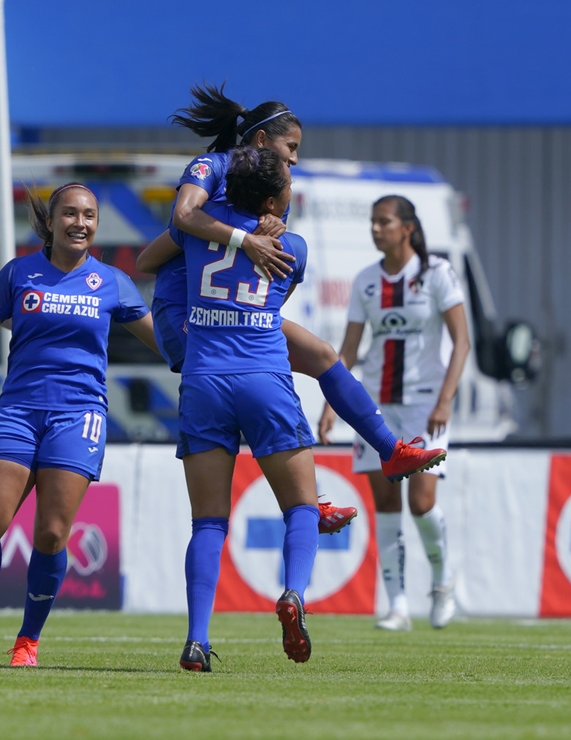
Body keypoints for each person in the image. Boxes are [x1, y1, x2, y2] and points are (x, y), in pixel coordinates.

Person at [136, 83, 446, 493]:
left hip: (234, 314)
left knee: (322, 354)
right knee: (248, 399)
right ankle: (305, 507)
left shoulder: (260, 198)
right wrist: (245, 240)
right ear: (262, 140)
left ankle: (388, 451)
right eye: (291, 146)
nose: (296, 159)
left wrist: (262, 232)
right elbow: (177, 223)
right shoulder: (212, 167)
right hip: (188, 315)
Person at [0, 183, 157, 667]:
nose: (80, 223)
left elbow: (165, 344)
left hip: (78, 415)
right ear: (52, 222)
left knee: (52, 536)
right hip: (18, 410)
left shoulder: (113, 282)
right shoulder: (18, 273)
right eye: (70, 214)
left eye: (88, 215)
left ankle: (27, 642)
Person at [173, 146, 320, 672]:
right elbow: (277, 296)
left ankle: (196, 638)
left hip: (204, 380)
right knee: (302, 506)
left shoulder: (196, 230)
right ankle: (293, 593)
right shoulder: (294, 247)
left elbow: (159, 251)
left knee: (208, 523)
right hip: (264, 379)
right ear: (272, 199)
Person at [318, 196, 463, 631]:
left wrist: (446, 399)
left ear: (407, 228)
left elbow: (462, 342)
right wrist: (330, 404)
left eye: (384, 222)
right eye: (372, 222)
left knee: (421, 502)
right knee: (385, 505)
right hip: (376, 410)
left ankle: (441, 582)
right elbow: (347, 351)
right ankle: (397, 605)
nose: (376, 229)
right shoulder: (365, 281)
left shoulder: (437, 274)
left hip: (425, 406)